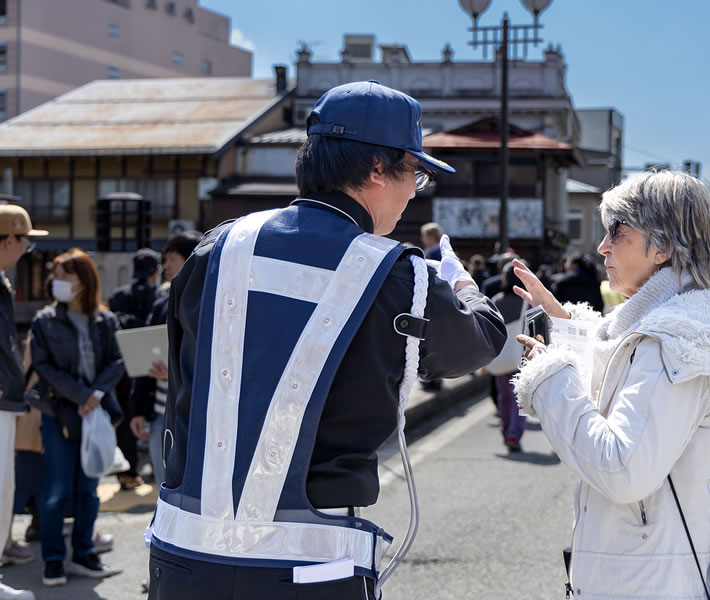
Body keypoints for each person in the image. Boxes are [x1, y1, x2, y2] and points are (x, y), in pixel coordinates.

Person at [147, 80, 505, 600]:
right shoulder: (396, 274)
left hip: (183, 555)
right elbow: (480, 342)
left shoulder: (219, 246)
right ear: (378, 169)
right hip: (308, 567)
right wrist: (461, 283)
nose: (413, 193)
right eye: (416, 173)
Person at [511, 171, 710, 599]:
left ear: (663, 246)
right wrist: (566, 326)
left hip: (646, 582)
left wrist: (551, 375)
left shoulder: (674, 343)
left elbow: (622, 470)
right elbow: (623, 368)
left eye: (617, 232)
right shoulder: (694, 327)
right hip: (666, 570)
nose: (602, 246)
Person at [31, 249, 125, 587]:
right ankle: (53, 560)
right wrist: (82, 395)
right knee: (56, 489)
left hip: (95, 412)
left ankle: (84, 551)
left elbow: (117, 360)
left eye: (64, 275)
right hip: (59, 413)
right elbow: (43, 366)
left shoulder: (106, 320)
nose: (55, 281)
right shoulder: (45, 320)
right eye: (54, 274)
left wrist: (95, 394)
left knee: (89, 488)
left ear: (83, 281)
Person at [129, 231, 203, 487]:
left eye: (172, 259)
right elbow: (145, 353)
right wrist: (138, 411)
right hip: (161, 409)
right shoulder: (163, 302)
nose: (165, 267)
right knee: (164, 489)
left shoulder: (213, 301)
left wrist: (173, 373)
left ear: (193, 258)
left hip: (195, 412)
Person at [0, 205, 45, 600]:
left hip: (6, 402)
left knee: (5, 489)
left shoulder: (2, 280)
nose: (27, 247)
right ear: (10, 239)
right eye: (26, 240)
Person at [109, 248, 165, 490]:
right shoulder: (159, 297)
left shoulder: (118, 296)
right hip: (155, 364)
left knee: (126, 418)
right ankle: (156, 468)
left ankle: (127, 472)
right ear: (156, 271)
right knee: (153, 415)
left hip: (123, 364)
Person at [490, 262, 527, 452]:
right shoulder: (527, 301)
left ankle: (505, 431)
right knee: (520, 398)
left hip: (501, 355)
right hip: (522, 355)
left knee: (504, 396)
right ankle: (514, 432)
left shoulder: (496, 300)